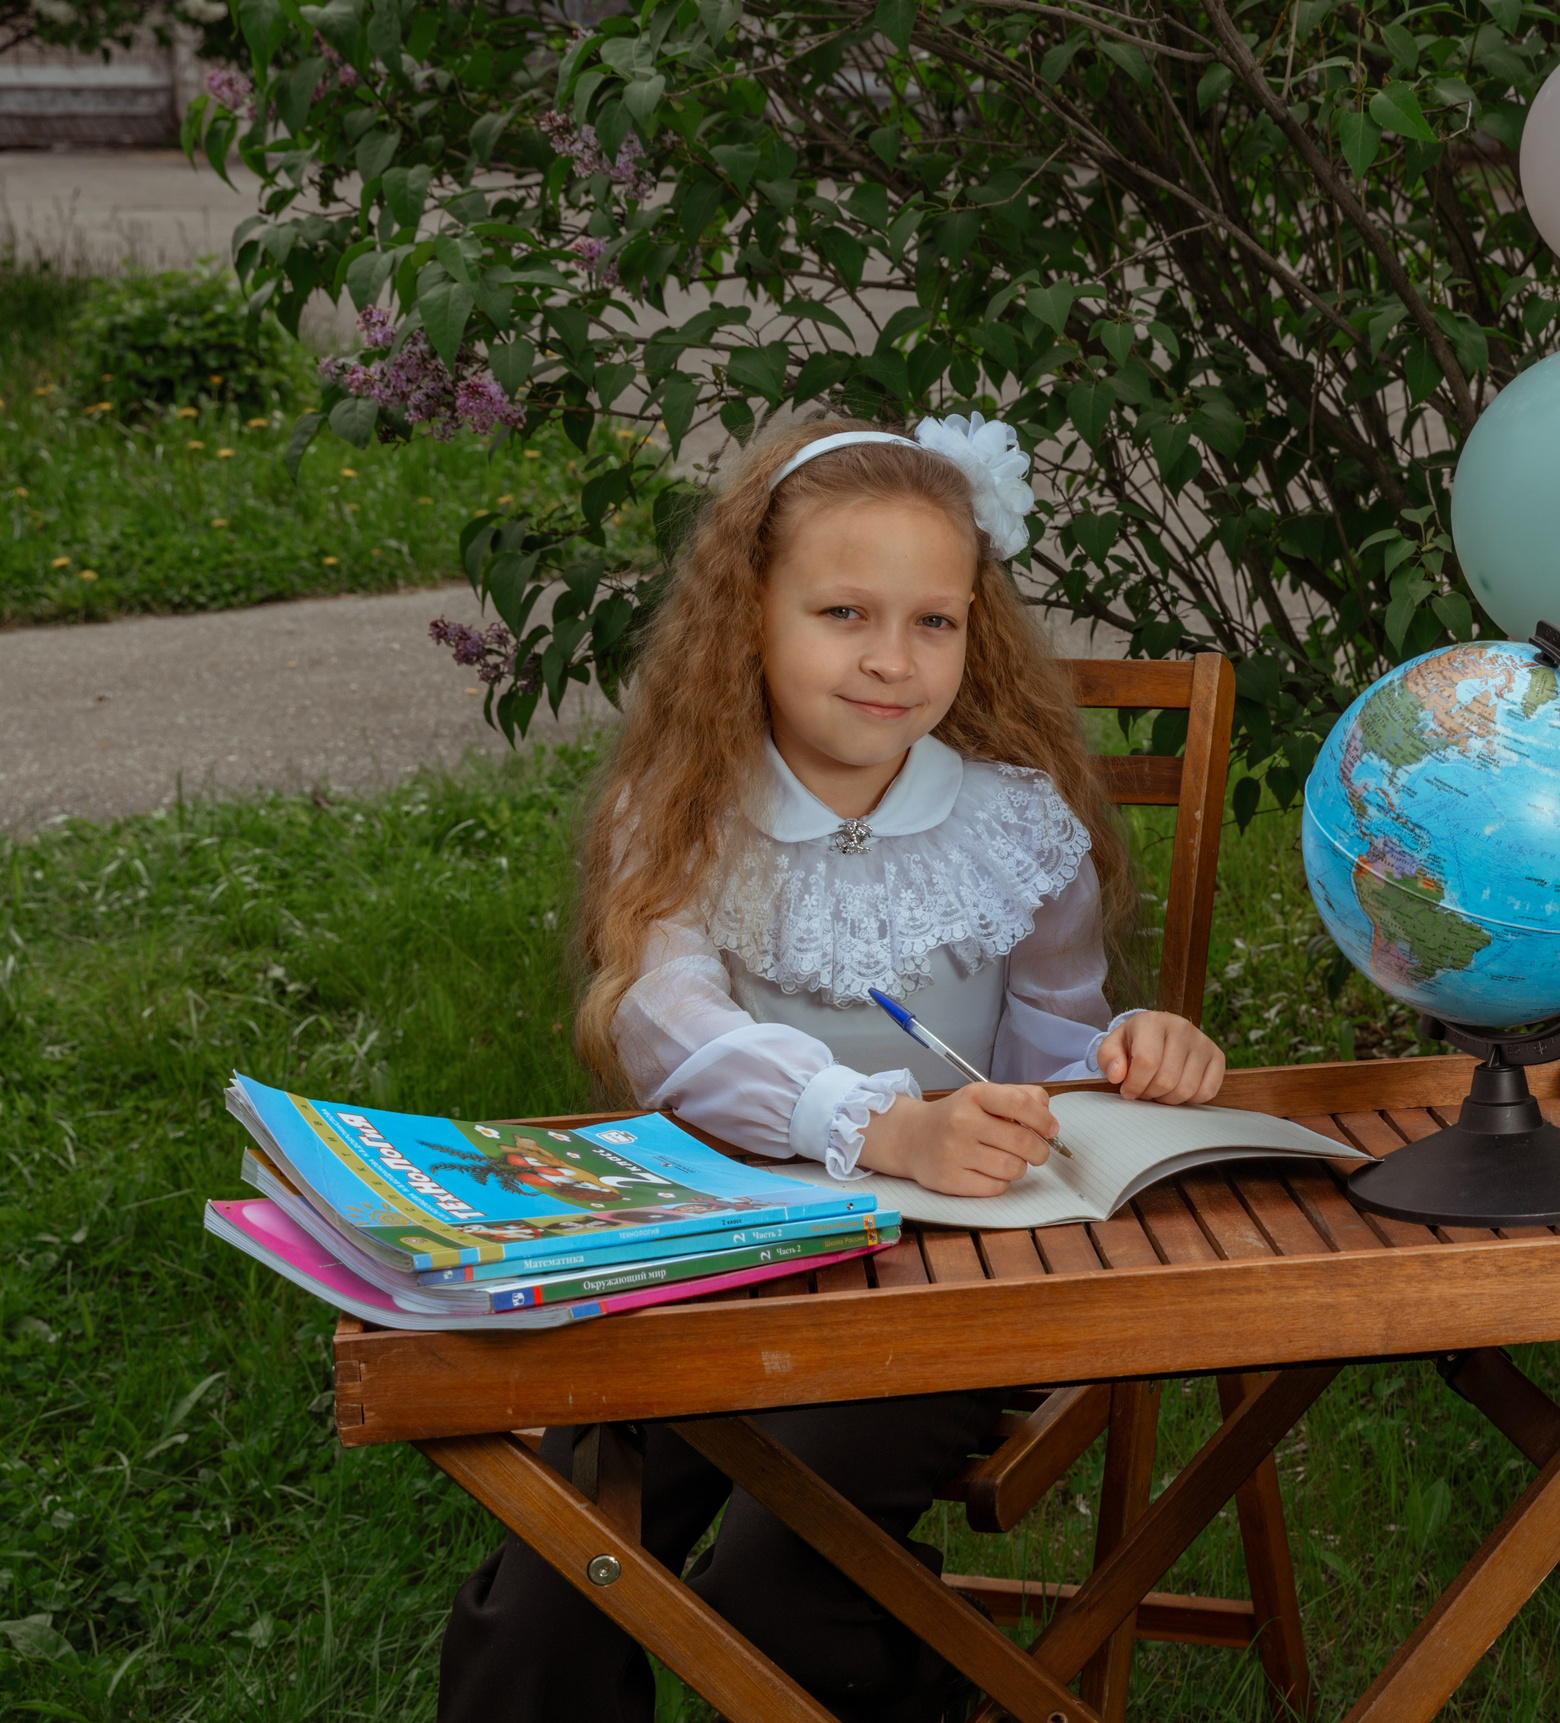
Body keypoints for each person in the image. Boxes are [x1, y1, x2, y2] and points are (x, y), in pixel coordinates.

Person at [439, 413, 1230, 1723]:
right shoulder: (685, 812)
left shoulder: (1016, 823)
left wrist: (1131, 1060)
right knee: (548, 1587)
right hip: (706, 1267)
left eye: (936, 621)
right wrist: (862, 1121)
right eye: (845, 613)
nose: (892, 661)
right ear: (749, 611)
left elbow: (1053, 1057)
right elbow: (663, 1016)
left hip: (952, 1286)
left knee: (784, 1581)